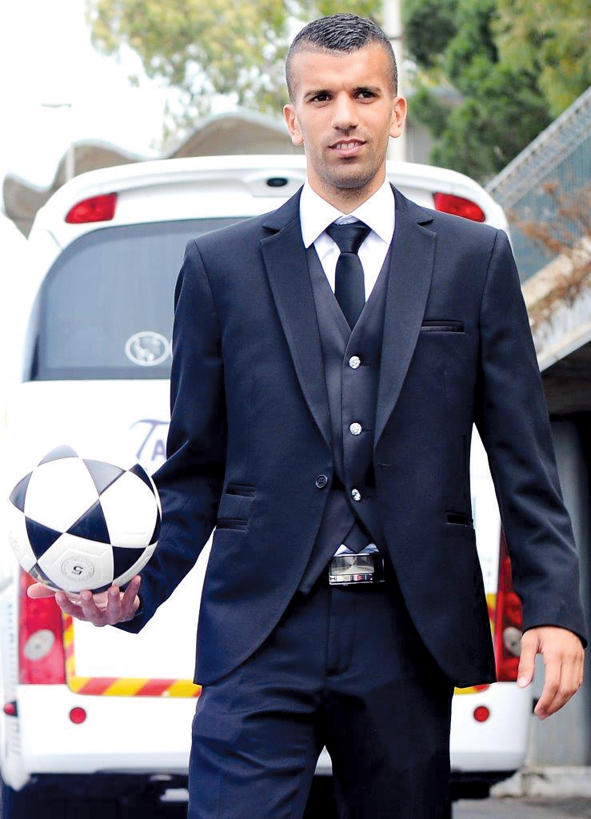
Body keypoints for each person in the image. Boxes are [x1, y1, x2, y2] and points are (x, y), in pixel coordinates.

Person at [29, 13, 587, 818]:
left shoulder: (472, 261)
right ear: (294, 119)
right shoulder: (219, 269)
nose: (344, 115)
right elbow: (195, 468)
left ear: (396, 111)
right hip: (260, 630)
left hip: (407, 631)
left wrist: (553, 609)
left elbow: (522, 457)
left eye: (364, 94)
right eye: (321, 98)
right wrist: (135, 586)